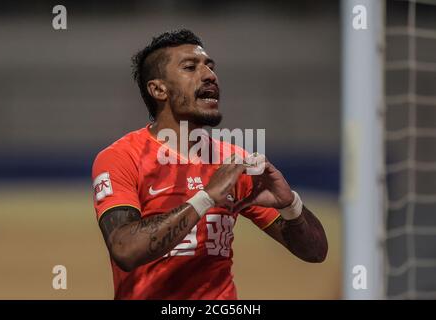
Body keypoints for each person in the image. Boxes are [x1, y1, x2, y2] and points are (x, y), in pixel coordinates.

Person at [92, 29, 328, 300]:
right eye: (191, 67)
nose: (209, 75)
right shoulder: (122, 157)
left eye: (210, 66)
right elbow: (125, 249)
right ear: (158, 89)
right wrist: (206, 198)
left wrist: (290, 205)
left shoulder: (233, 161)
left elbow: (315, 252)